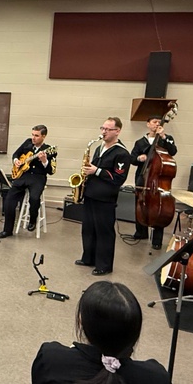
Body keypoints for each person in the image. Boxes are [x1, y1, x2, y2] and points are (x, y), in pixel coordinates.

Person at [20, 281, 172, 384]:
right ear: (135, 332)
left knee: (43, 380)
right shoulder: (157, 381)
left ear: (81, 323)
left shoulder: (52, 358)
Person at [77, 118, 130, 275]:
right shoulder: (100, 148)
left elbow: (119, 178)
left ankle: (104, 265)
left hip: (105, 198)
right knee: (88, 229)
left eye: (108, 129)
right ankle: (88, 258)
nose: (103, 132)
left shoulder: (122, 153)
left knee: (104, 232)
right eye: (103, 128)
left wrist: (97, 171)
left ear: (117, 131)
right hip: (91, 194)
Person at [0, 125, 56, 238]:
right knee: (9, 199)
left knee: (34, 198)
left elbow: (51, 171)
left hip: (38, 178)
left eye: (36, 135)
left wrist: (44, 161)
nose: (33, 138)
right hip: (23, 176)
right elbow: (16, 154)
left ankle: (32, 220)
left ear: (43, 136)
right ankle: (7, 230)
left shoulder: (49, 150)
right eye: (32, 135)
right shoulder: (27, 143)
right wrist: (16, 161)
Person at [130, 116, 178, 250]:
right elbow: (132, 158)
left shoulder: (166, 139)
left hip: (158, 181)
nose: (157, 124)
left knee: (159, 207)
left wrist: (162, 136)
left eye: (159, 122)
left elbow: (173, 151)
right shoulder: (140, 142)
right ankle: (141, 232)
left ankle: (157, 239)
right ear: (148, 124)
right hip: (143, 176)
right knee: (140, 203)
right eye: (154, 122)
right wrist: (140, 158)